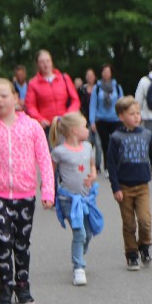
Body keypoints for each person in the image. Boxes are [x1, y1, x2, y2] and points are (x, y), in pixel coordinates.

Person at [0, 79, 55, 304]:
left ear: (16, 98)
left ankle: (22, 285)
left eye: (4, 96)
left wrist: (48, 189)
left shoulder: (32, 127)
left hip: (25, 194)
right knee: (3, 241)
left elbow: (44, 159)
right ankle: (5, 287)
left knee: (22, 243)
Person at [107, 96, 152, 270]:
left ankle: (144, 246)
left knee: (145, 221)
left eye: (138, 113)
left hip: (142, 186)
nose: (137, 116)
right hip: (124, 187)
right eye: (132, 114)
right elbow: (111, 165)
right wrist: (115, 187)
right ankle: (131, 254)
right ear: (121, 116)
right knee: (129, 223)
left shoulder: (146, 135)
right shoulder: (116, 137)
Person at [49, 113, 101, 286]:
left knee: (88, 233)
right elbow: (50, 174)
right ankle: (78, 268)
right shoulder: (59, 152)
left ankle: (79, 252)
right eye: (84, 127)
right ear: (74, 130)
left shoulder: (88, 147)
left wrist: (93, 175)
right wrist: (49, 194)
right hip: (69, 201)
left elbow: (92, 165)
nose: (87, 130)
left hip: (87, 198)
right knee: (80, 232)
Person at [24, 50, 80, 136]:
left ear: (51, 62)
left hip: (65, 124)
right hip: (47, 126)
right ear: (37, 64)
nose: (45, 64)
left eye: (48, 61)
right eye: (42, 62)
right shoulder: (33, 83)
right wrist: (40, 119)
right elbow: (30, 106)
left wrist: (69, 114)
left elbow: (75, 100)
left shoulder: (64, 78)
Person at [90, 64, 124, 172]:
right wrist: (92, 121)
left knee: (116, 143)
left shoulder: (117, 87)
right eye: (104, 71)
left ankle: (117, 165)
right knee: (105, 144)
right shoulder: (97, 88)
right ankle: (107, 167)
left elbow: (122, 103)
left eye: (108, 71)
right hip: (101, 119)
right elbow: (93, 105)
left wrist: (123, 117)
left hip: (115, 119)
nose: (106, 74)